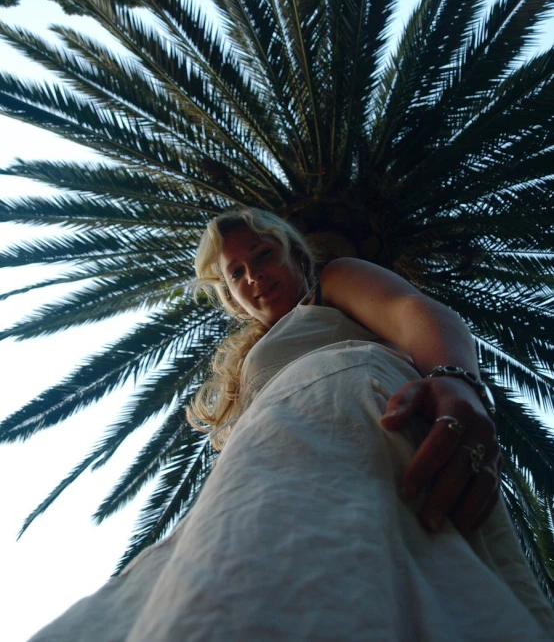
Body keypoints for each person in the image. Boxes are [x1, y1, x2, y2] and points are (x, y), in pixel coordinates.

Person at [32, 207, 554, 641]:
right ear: (229, 296)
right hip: (268, 457)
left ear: (297, 257)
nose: (253, 275)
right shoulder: (246, 362)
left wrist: (456, 379)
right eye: (236, 273)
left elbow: (409, 308)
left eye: (262, 255)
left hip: (350, 408)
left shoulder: (331, 282)